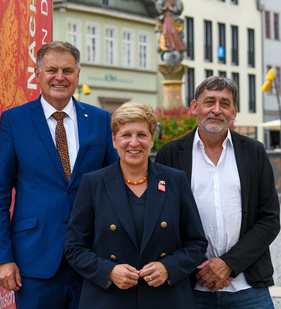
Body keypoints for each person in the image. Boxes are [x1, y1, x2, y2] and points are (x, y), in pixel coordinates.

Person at [0, 41, 118, 308]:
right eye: (52, 70)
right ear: (38, 74)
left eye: (68, 70)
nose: (60, 77)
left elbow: (115, 185)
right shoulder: (14, 121)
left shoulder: (101, 120)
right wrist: (2, 258)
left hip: (92, 259)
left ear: (78, 75)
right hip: (34, 263)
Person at [65, 102, 208, 308]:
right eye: (126, 135)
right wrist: (109, 271)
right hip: (109, 299)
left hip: (166, 299)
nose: (134, 142)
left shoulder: (175, 180)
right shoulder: (94, 183)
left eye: (141, 135)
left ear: (152, 139)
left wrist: (168, 267)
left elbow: (196, 243)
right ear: (114, 140)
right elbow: (74, 247)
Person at [155, 76, 281, 308]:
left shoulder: (254, 152)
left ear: (233, 112)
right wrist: (202, 269)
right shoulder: (170, 155)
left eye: (224, 104)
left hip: (248, 286)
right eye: (209, 102)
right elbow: (164, 221)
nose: (216, 110)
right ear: (194, 107)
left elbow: (269, 219)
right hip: (191, 287)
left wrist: (229, 264)